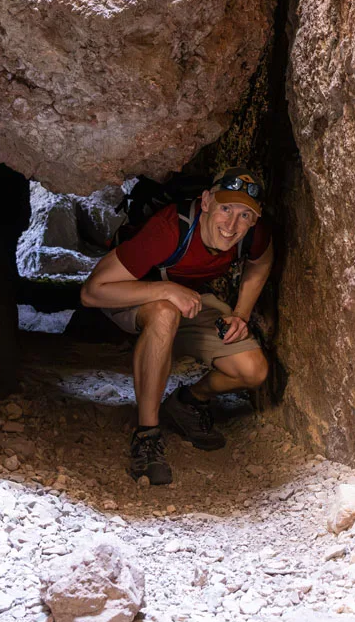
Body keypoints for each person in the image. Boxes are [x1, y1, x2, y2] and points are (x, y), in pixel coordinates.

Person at [80, 166, 273, 484]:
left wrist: (240, 314)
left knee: (253, 370)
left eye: (244, 215)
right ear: (208, 201)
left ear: (256, 218)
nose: (232, 225)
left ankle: (188, 403)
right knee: (165, 312)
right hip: (131, 294)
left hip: (190, 300)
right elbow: (92, 291)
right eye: (226, 209)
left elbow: (261, 261)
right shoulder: (169, 229)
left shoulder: (255, 233)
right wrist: (165, 290)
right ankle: (147, 435)